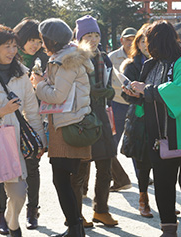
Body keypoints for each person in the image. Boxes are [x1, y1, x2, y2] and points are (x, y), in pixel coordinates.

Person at [123, 20, 181, 237]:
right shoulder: (150, 65)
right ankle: (168, 229)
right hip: (160, 135)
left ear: (160, 41)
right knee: (163, 184)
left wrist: (147, 90)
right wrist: (134, 94)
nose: (146, 47)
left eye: (149, 41)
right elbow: (148, 96)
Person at [32, 18, 93, 237]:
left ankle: (75, 229)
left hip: (69, 126)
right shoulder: (65, 57)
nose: (42, 43)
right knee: (65, 180)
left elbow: (58, 96)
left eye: (43, 39)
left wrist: (38, 84)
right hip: (66, 123)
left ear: (52, 40)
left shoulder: (68, 61)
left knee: (62, 180)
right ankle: (75, 228)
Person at [70, 15, 118, 228]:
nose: (92, 38)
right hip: (81, 115)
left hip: (101, 112)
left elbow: (111, 81)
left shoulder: (104, 58)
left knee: (105, 164)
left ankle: (101, 210)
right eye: (88, 35)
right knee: (81, 168)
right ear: (79, 37)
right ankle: (76, 214)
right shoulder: (73, 57)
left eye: (96, 34)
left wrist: (108, 92)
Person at [0, 24, 46, 237]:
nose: (12, 51)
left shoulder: (22, 74)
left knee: (18, 194)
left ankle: (12, 222)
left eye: (14, 46)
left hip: (11, 143)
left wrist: (41, 141)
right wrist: (2, 111)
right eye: (6, 46)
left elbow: (32, 112)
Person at [12, 17, 49, 230]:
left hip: (32, 121)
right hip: (9, 121)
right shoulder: (9, 59)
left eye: (39, 41)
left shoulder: (42, 59)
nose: (35, 45)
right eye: (32, 40)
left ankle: (32, 210)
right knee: (8, 169)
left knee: (32, 167)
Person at [119, 23, 154, 218]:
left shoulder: (165, 63)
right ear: (137, 43)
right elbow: (128, 96)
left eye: (149, 41)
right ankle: (143, 199)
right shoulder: (131, 65)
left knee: (162, 161)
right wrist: (142, 95)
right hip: (139, 117)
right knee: (142, 161)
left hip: (161, 116)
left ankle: (164, 200)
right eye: (142, 41)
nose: (146, 45)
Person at [108, 27, 137, 192]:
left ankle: (142, 176)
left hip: (136, 105)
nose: (130, 42)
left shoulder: (140, 56)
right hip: (117, 104)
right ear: (121, 40)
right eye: (127, 39)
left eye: (134, 39)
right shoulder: (112, 57)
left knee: (136, 141)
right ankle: (115, 177)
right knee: (112, 142)